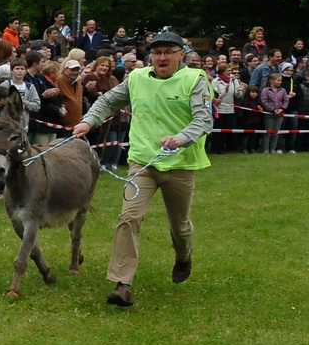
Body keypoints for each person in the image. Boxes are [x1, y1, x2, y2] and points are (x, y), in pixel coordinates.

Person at [72, 31, 213, 308]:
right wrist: (89, 121)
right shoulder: (136, 78)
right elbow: (107, 101)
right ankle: (122, 284)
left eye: (168, 52)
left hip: (181, 163)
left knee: (180, 226)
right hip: (142, 163)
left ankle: (183, 257)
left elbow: (203, 119)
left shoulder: (195, 79)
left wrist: (181, 138)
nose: (162, 57)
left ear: (180, 54)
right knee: (129, 217)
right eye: (157, 52)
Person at [261, 73, 290, 154]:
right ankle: (266, 149)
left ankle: (273, 149)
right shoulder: (266, 90)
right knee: (268, 132)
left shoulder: (283, 90)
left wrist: (282, 109)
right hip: (269, 114)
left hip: (280, 114)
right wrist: (272, 110)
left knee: (276, 132)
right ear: (272, 81)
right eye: (278, 80)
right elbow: (264, 101)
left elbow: (286, 101)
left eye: (280, 80)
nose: (280, 82)